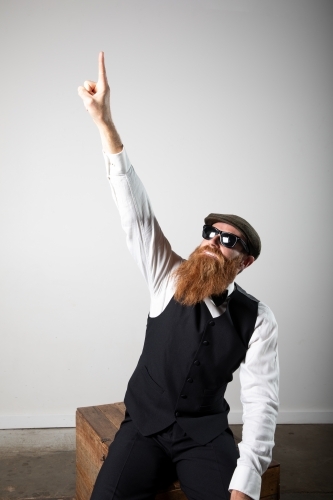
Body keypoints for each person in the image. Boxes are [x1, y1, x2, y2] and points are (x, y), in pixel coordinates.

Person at [78, 52, 279, 500]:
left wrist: (247, 483)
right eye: (211, 232)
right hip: (143, 429)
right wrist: (105, 124)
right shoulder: (165, 274)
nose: (213, 241)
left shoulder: (259, 319)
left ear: (244, 262)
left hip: (205, 439)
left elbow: (263, 402)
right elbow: (136, 211)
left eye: (229, 240)